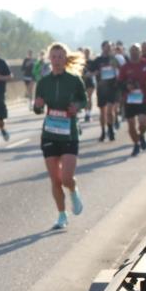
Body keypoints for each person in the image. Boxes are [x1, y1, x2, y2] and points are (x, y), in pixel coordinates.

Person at [33, 43, 88, 229]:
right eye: (54, 57)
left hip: (69, 133)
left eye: (60, 57)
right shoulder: (43, 82)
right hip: (49, 134)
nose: (56, 60)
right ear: (50, 59)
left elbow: (84, 100)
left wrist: (77, 107)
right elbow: (37, 108)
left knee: (66, 178)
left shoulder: (74, 80)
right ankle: (62, 215)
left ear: (65, 59)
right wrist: (38, 105)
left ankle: (73, 190)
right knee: (55, 179)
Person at [118, 44, 146, 157]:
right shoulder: (125, 67)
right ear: (129, 53)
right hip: (129, 99)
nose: (134, 53)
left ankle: (141, 135)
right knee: (131, 126)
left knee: (143, 123)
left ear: (140, 52)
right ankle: (136, 144)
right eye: (132, 51)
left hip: (143, 98)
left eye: (136, 50)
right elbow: (120, 82)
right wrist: (127, 86)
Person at [88, 41, 120, 142]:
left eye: (110, 47)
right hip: (102, 88)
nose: (109, 49)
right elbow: (90, 72)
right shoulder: (98, 60)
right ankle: (103, 131)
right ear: (102, 48)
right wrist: (95, 73)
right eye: (107, 47)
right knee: (102, 111)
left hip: (112, 87)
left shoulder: (114, 59)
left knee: (110, 110)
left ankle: (111, 130)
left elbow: (120, 70)